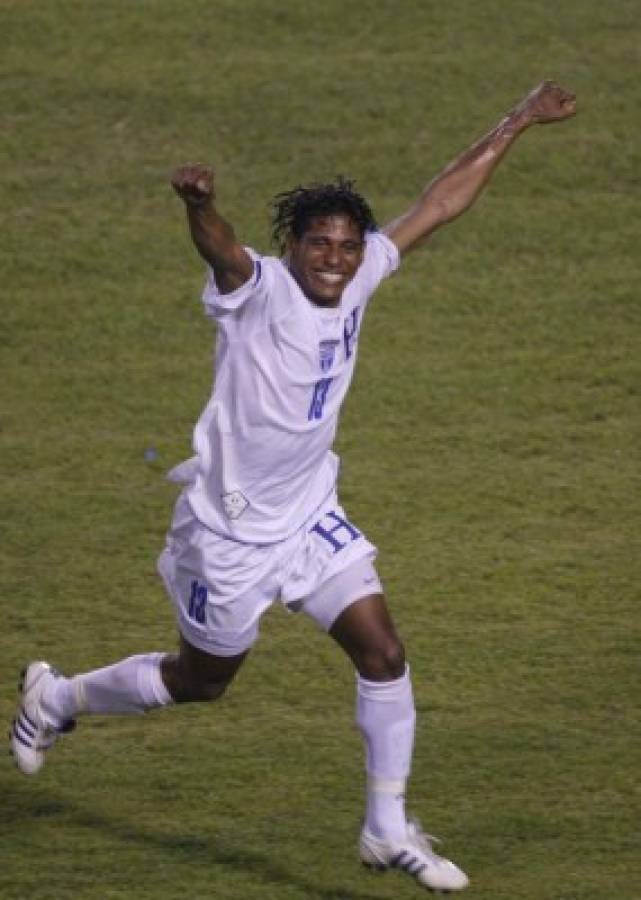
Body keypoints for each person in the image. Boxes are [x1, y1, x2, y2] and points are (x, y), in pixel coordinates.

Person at [11, 80, 576, 893]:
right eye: (318, 244)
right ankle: (58, 698)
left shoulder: (363, 275)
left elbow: (441, 200)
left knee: (382, 650)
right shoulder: (259, 289)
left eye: (346, 246)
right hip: (229, 533)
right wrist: (196, 203)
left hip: (308, 514)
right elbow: (221, 248)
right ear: (294, 242)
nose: (333, 260)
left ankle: (386, 827)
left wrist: (517, 120)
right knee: (201, 680)